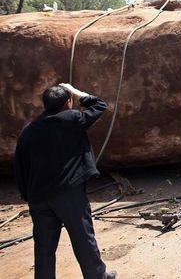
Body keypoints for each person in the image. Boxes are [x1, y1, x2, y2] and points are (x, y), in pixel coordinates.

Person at [14, 83, 116, 279]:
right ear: (68, 102)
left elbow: (20, 167)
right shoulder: (71, 118)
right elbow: (100, 106)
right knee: (83, 238)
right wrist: (77, 91)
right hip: (68, 195)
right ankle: (97, 276)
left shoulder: (29, 131)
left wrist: (28, 195)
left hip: (39, 197)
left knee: (44, 246)